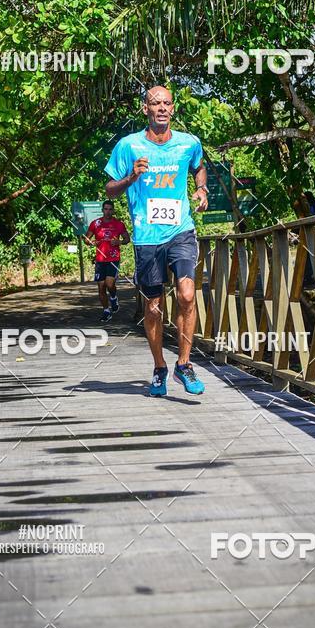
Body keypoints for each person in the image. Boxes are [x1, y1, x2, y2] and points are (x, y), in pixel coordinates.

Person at [104, 86, 209, 396]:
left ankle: (184, 365)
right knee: (153, 307)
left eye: (166, 103)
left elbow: (199, 167)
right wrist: (130, 178)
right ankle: (160, 367)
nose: (161, 108)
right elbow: (110, 189)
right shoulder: (128, 146)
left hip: (181, 230)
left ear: (173, 108)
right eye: (154, 103)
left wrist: (201, 190)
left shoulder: (188, 143)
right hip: (146, 236)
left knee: (187, 294)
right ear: (145, 108)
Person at [84, 201, 130, 322]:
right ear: (102, 210)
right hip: (100, 259)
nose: (108, 211)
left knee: (110, 284)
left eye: (110, 209)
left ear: (113, 210)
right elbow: (86, 239)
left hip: (113, 258)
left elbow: (127, 239)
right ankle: (106, 311)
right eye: (106, 209)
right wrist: (92, 242)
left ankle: (114, 297)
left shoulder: (119, 224)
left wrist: (119, 242)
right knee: (101, 287)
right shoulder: (96, 223)